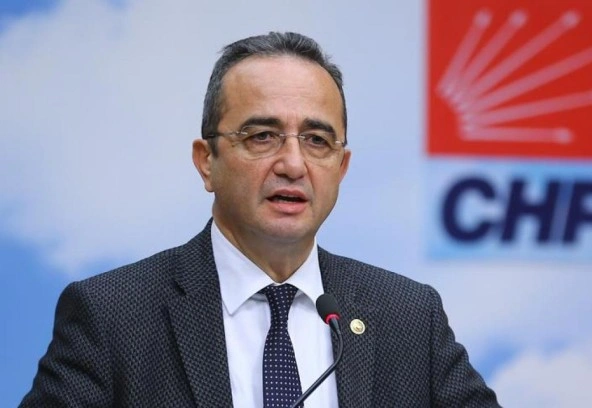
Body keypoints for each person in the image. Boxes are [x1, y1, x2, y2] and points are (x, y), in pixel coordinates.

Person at [21, 32, 501, 407]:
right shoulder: (113, 314)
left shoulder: (409, 316)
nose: (293, 164)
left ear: (341, 168)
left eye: (316, 141)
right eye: (262, 136)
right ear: (206, 162)